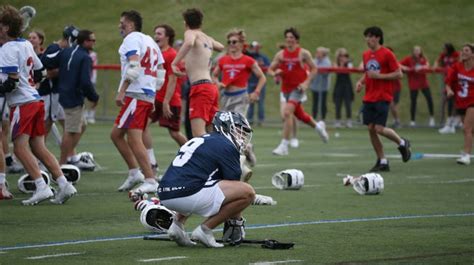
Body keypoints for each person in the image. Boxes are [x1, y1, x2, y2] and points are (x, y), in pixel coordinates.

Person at [0, 5, 76, 205]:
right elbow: (39, 72)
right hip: (35, 100)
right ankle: (64, 184)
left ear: (6, 28)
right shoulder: (25, 44)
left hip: (22, 103)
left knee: (18, 147)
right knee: (38, 146)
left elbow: (11, 82)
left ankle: (41, 186)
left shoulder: (7, 48)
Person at [158, 111, 255, 248]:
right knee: (248, 192)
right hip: (187, 194)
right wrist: (237, 221)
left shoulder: (202, 139)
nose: (243, 136)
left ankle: (177, 225)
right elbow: (235, 187)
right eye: (240, 130)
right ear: (226, 127)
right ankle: (205, 230)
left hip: (165, 193)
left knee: (199, 182)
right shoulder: (226, 145)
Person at [111, 10, 165, 193]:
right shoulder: (150, 40)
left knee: (134, 139)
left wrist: (122, 91)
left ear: (131, 25)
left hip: (136, 93)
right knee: (116, 134)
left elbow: (134, 66)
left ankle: (150, 179)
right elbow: (161, 72)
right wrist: (152, 94)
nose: (120, 26)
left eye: (122, 23)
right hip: (146, 93)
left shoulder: (132, 39)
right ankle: (135, 173)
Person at [355, 26, 411, 172]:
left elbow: (399, 74)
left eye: (370, 36)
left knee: (379, 128)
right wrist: (361, 82)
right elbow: (369, 73)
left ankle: (402, 142)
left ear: (378, 38)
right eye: (366, 37)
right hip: (369, 96)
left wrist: (379, 77)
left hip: (383, 96)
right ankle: (383, 161)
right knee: (371, 129)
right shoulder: (366, 54)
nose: (368, 39)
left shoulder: (387, 54)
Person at [269, 27, 329, 156]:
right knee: (300, 115)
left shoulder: (303, 53)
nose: (289, 40)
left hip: (298, 89)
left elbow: (314, 69)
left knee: (287, 112)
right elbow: (270, 70)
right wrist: (275, 73)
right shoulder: (280, 55)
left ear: (296, 39)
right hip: (286, 89)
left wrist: (306, 83)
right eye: (287, 37)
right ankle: (319, 127)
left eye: (291, 37)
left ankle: (284, 145)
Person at [212, 28, 266, 172]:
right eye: (229, 42)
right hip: (225, 98)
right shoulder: (223, 60)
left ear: (242, 44)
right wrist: (217, 83)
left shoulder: (248, 60)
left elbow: (262, 77)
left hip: (241, 98)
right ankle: (247, 148)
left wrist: (256, 92)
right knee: (225, 131)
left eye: (234, 42)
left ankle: (239, 167)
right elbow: (214, 75)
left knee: (236, 130)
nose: (231, 44)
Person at [171, 8, 224, 137]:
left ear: (185, 23)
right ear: (201, 22)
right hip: (211, 88)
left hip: (200, 87)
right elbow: (221, 47)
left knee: (198, 134)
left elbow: (189, 43)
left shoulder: (190, 33)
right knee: (211, 132)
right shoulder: (207, 38)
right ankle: (219, 157)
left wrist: (174, 63)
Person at [56, 30, 99, 167]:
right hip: (73, 97)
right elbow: (85, 82)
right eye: (92, 40)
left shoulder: (67, 51)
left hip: (62, 93)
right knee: (71, 130)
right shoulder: (85, 57)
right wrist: (94, 97)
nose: (94, 42)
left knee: (82, 125)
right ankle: (61, 164)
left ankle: (68, 156)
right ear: (85, 41)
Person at [146, 24, 187, 148]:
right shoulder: (155, 53)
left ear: (167, 37)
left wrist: (166, 102)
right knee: (142, 126)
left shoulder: (172, 54)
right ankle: (151, 163)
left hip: (170, 100)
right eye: (155, 33)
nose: (155, 36)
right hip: (155, 98)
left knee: (174, 133)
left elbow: (172, 80)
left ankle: (195, 153)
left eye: (159, 34)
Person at [41, 25, 80, 146]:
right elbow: (45, 71)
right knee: (47, 122)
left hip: (59, 92)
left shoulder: (64, 51)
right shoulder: (55, 50)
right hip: (50, 92)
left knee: (64, 122)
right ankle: (39, 152)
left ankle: (69, 154)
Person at [445, 43, 474, 165]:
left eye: (467, 50)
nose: (464, 52)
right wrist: (449, 90)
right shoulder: (457, 66)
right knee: (471, 130)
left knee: (466, 128)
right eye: (462, 50)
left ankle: (466, 155)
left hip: (472, 102)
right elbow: (448, 82)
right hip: (461, 102)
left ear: (473, 54)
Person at [400, 45, 435, 127]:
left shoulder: (423, 59)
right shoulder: (409, 59)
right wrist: (407, 68)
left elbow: (427, 65)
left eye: (418, 50)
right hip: (413, 83)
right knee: (413, 101)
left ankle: (432, 118)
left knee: (429, 99)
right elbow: (399, 64)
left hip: (423, 83)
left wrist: (421, 67)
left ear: (420, 51)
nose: (416, 52)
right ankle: (412, 121)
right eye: (415, 50)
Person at [435, 43, 460, 133]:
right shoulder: (443, 55)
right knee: (448, 101)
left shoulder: (456, 55)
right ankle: (449, 123)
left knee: (457, 102)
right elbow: (437, 62)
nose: (443, 50)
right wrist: (436, 66)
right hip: (448, 81)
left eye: (444, 49)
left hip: (457, 81)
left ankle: (454, 123)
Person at [246, 41, 270, 126]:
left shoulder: (263, 57)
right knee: (250, 102)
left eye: (256, 47)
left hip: (260, 83)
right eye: (253, 47)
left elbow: (269, 68)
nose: (254, 49)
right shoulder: (249, 57)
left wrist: (261, 66)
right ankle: (250, 120)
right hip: (250, 82)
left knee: (260, 102)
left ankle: (261, 120)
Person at [333, 48, 354, 128]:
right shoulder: (336, 63)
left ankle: (349, 121)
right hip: (338, 85)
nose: (343, 57)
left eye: (345, 55)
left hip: (347, 85)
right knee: (338, 103)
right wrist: (341, 64)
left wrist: (346, 63)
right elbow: (337, 71)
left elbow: (350, 71)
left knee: (348, 103)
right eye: (341, 56)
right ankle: (338, 120)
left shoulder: (349, 63)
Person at [310, 46, 331, 122]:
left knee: (323, 103)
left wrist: (316, 70)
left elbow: (325, 72)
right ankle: (314, 119)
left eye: (318, 52)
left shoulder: (327, 61)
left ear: (323, 54)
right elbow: (311, 68)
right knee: (315, 103)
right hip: (315, 85)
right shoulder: (314, 60)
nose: (316, 54)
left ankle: (323, 119)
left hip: (323, 86)